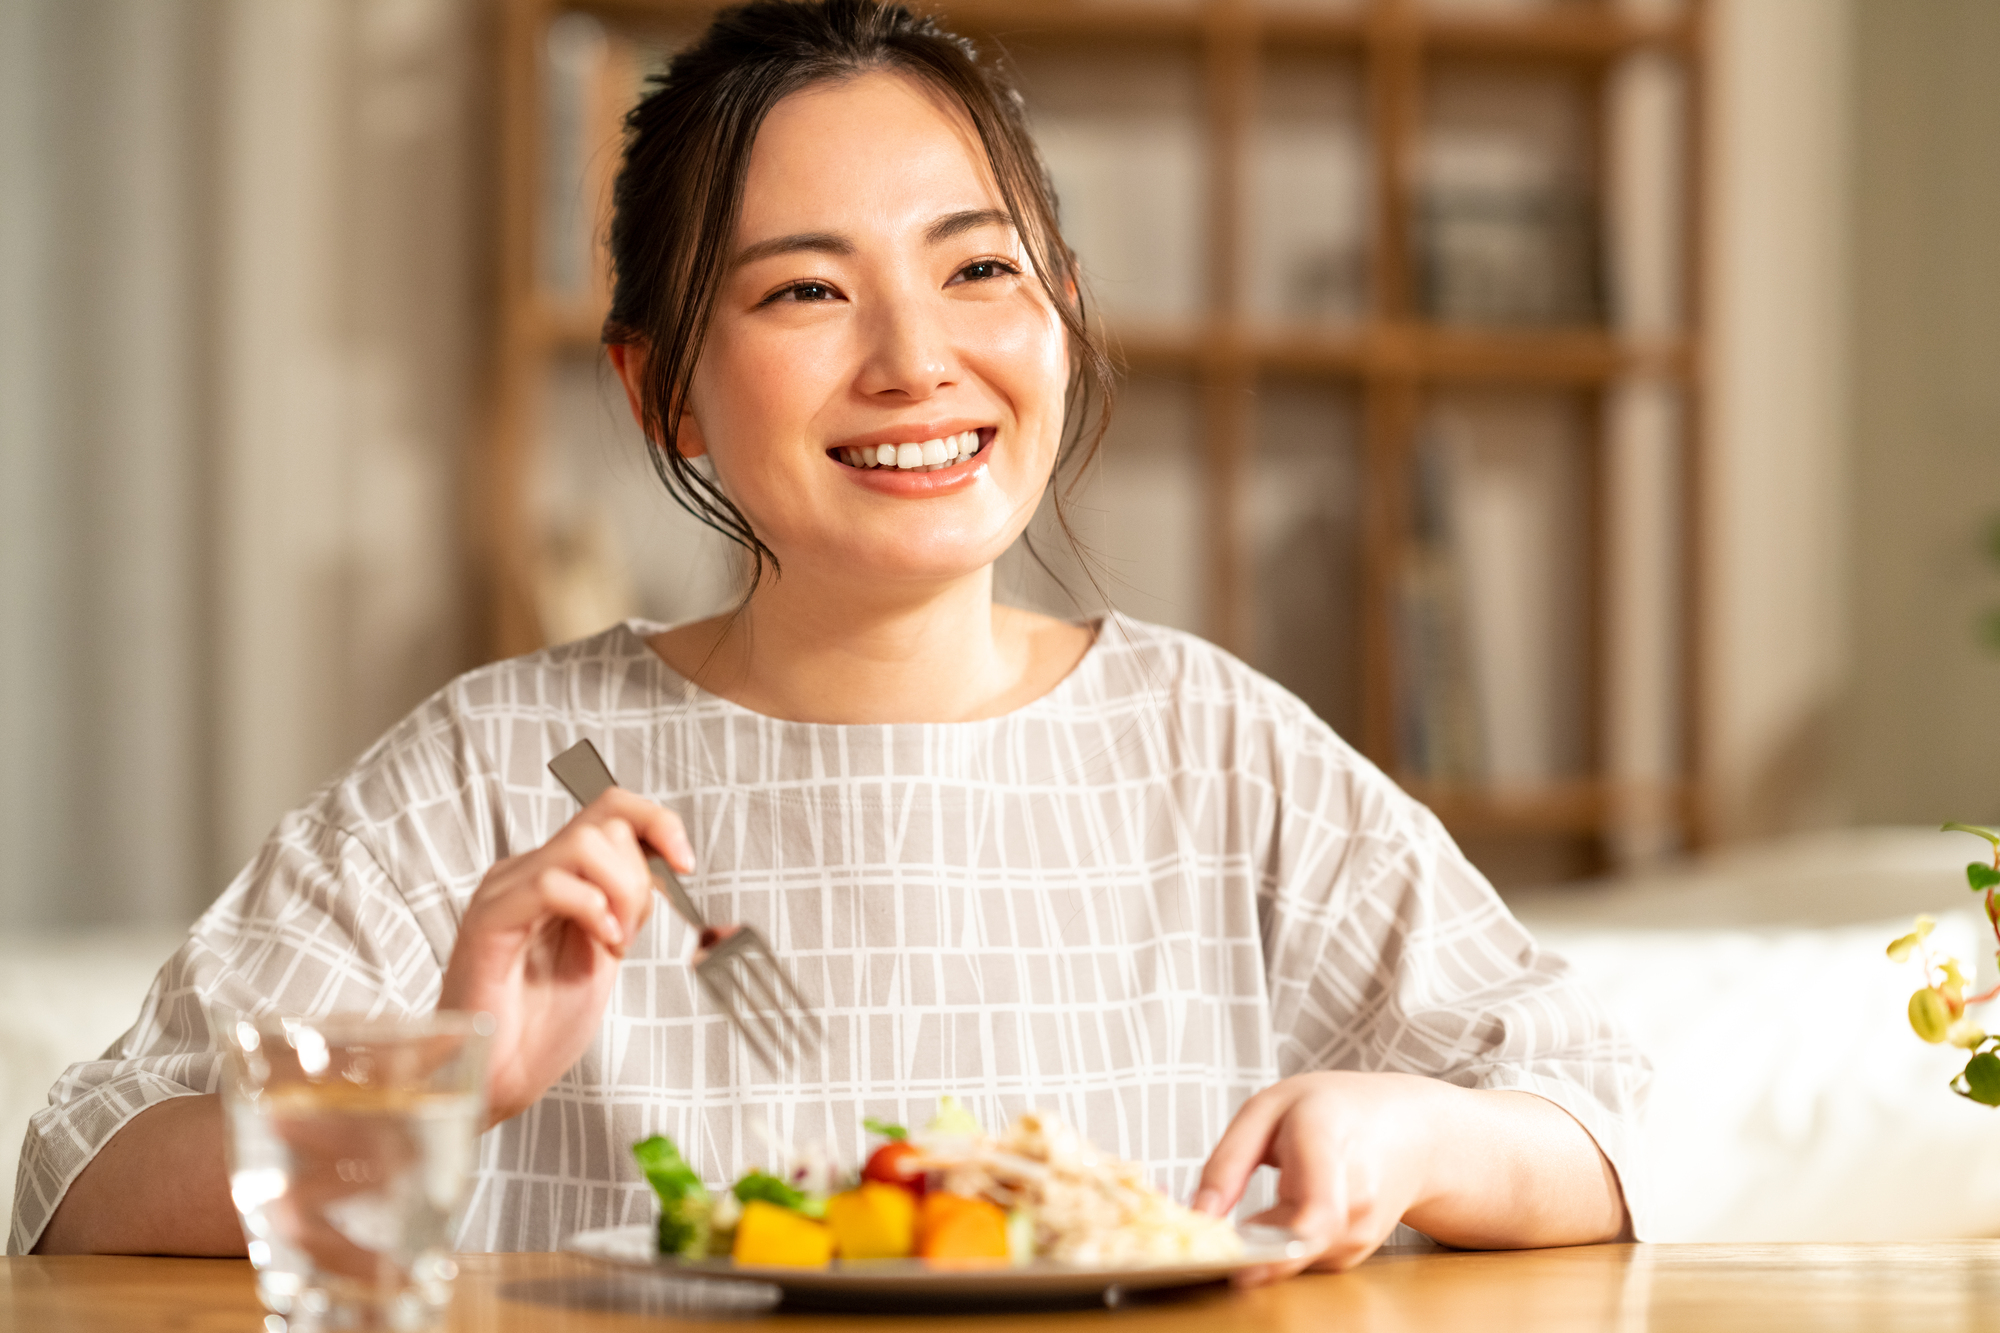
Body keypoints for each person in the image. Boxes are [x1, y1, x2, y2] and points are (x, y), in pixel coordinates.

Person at [13, 0, 1645, 1277]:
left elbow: (1602, 1118)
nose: (916, 361)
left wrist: (1418, 1133)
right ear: (665, 394)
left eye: (980, 270)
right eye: (806, 293)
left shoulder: (1220, 752)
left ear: (1062, 307)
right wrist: (435, 1084)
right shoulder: (496, 766)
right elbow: (78, 1179)